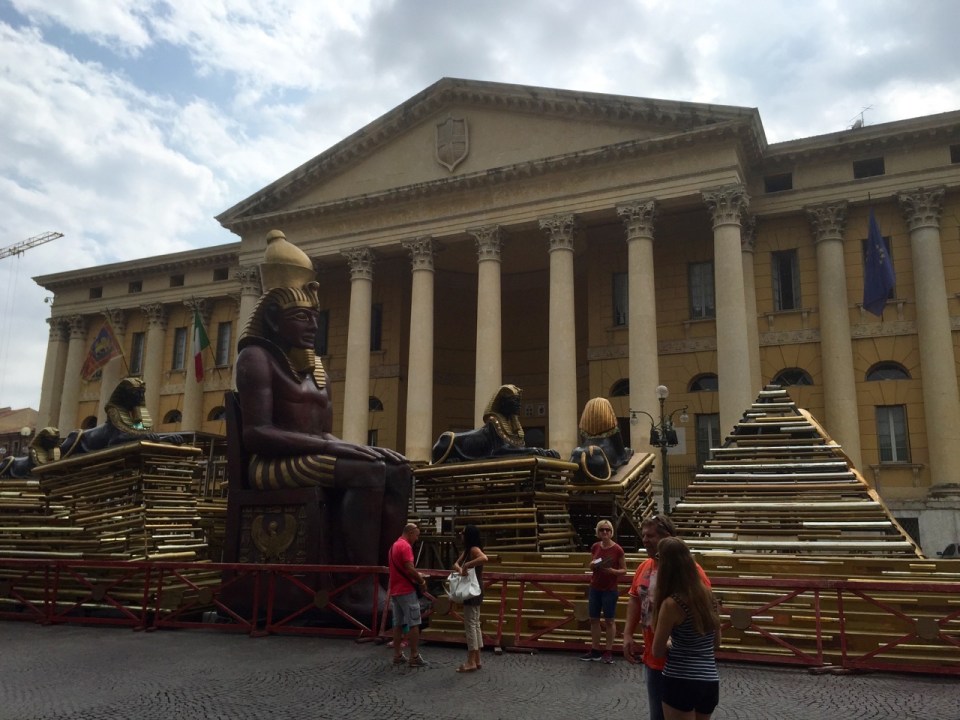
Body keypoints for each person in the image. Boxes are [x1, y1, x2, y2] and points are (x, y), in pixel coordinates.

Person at [235, 230, 412, 607]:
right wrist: (347, 450)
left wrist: (360, 447)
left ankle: (384, 576)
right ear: (273, 318)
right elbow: (257, 434)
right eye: (301, 317)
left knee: (397, 470)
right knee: (368, 472)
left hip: (307, 457)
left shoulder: (316, 368)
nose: (313, 325)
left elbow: (325, 432)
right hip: (268, 465)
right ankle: (358, 587)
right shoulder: (256, 358)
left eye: (315, 317)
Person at [623, 515, 711, 720]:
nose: (644, 540)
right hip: (653, 657)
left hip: (682, 662)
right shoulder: (643, 567)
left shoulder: (693, 573)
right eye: (643, 535)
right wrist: (627, 634)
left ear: (667, 538)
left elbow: (706, 612)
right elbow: (635, 599)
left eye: (650, 535)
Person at [651, 537, 721, 720]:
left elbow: (657, 651)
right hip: (709, 680)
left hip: (680, 679)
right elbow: (716, 642)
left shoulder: (673, 604)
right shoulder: (710, 597)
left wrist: (669, 642)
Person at [431, 384, 560, 463]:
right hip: (453, 445)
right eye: (513, 401)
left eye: (518, 401)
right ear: (502, 403)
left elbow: (513, 450)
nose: (518, 404)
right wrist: (533, 451)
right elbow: (499, 451)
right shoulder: (494, 426)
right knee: (447, 439)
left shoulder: (510, 428)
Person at [579, 519, 626, 663]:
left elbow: (624, 570)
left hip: (610, 589)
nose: (605, 532)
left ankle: (609, 651)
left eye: (607, 530)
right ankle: (595, 649)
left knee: (610, 621)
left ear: (611, 532)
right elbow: (590, 564)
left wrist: (612, 571)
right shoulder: (595, 547)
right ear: (598, 532)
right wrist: (592, 565)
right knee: (594, 619)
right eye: (602, 530)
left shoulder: (617, 549)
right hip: (595, 587)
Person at [388, 523, 428, 668]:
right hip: (406, 590)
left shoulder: (394, 546)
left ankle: (397, 654)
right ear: (410, 533)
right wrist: (421, 580)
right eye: (416, 535)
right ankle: (414, 655)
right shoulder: (405, 547)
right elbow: (409, 568)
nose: (417, 539)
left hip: (395, 590)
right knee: (414, 622)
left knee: (397, 623)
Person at [452, 524, 488, 673]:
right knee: (475, 624)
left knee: (471, 625)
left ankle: (471, 661)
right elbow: (455, 564)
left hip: (473, 590)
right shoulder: (468, 550)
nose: (461, 534)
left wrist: (467, 565)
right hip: (473, 589)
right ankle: (477, 660)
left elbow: (484, 558)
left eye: (463, 532)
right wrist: (462, 570)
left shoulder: (473, 549)